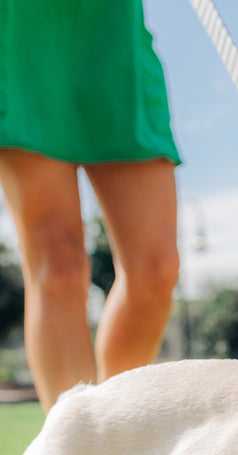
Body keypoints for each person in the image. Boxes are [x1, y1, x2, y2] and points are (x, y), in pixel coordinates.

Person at [0, 0, 181, 410]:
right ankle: (75, 454)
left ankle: (112, 426)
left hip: (112, 30)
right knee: (59, 263)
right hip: (20, 29)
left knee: (157, 268)